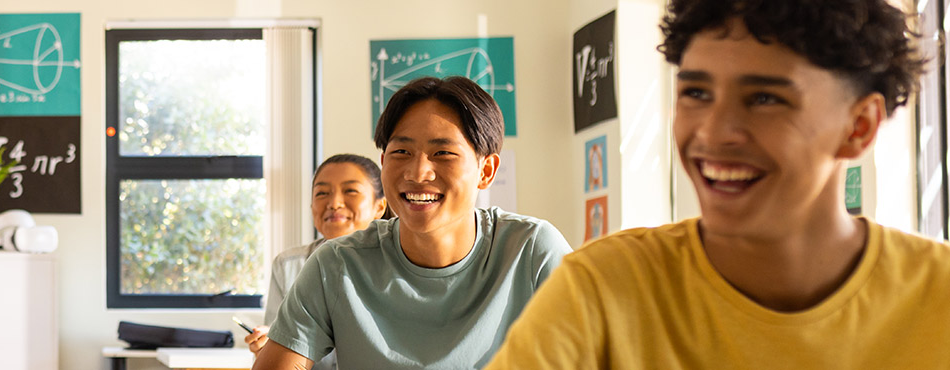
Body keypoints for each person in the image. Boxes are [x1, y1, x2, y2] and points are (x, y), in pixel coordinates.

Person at [485, 0, 950, 368]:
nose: (712, 132)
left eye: (765, 98)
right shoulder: (603, 291)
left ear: (859, 128)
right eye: (696, 93)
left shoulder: (938, 295)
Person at [251, 76, 572, 369]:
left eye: (443, 153)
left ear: (486, 170)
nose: (418, 173)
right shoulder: (336, 265)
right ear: (383, 161)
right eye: (402, 151)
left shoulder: (531, 250)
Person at [244, 154, 390, 368]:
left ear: (379, 207)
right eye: (322, 193)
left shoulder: (400, 262)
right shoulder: (288, 265)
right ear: (311, 207)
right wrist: (267, 346)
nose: (334, 203)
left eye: (350, 191)